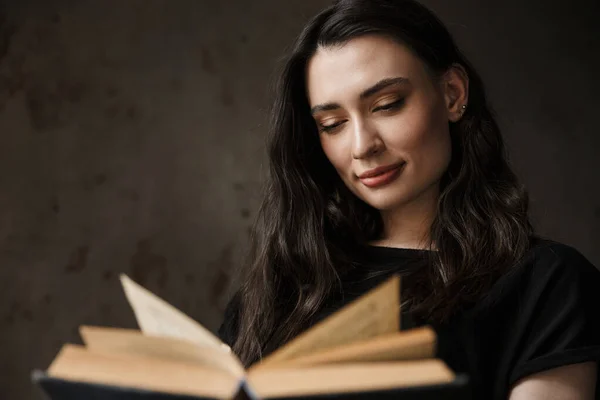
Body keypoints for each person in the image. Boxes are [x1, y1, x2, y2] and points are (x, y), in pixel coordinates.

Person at [218, 0, 600, 398]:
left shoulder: (545, 283)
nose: (362, 146)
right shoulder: (282, 290)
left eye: (387, 105)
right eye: (333, 125)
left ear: (453, 94)